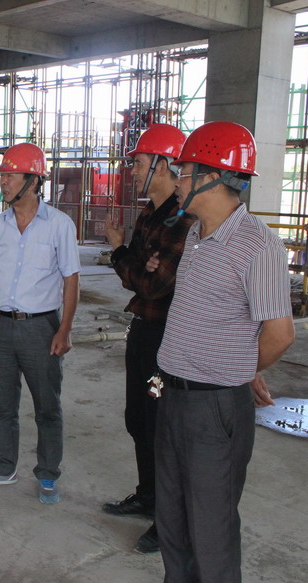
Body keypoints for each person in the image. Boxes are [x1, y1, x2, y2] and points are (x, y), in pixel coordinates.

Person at [155, 121, 295, 583]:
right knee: (173, 522)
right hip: (173, 398)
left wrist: (241, 368)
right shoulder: (196, 234)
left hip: (213, 409)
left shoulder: (257, 246)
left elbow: (280, 333)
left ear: (211, 177)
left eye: (183, 172)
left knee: (210, 531)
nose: (176, 181)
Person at [0, 142, 81, 504]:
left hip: (40, 328)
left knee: (47, 407)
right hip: (0, 327)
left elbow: (71, 280)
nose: (3, 182)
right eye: (2, 175)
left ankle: (47, 474)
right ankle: (3, 467)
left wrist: (64, 329)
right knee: (3, 405)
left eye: (10, 175)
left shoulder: (59, 225)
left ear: (33, 181)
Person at [101, 124, 193, 553]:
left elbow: (153, 285)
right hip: (144, 331)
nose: (133, 170)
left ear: (163, 165)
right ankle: (148, 495)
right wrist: (136, 263)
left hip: (169, 341)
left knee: (161, 426)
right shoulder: (148, 216)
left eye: (138, 163)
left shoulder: (185, 220)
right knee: (138, 419)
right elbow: (136, 279)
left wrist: (121, 253)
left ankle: (167, 519)